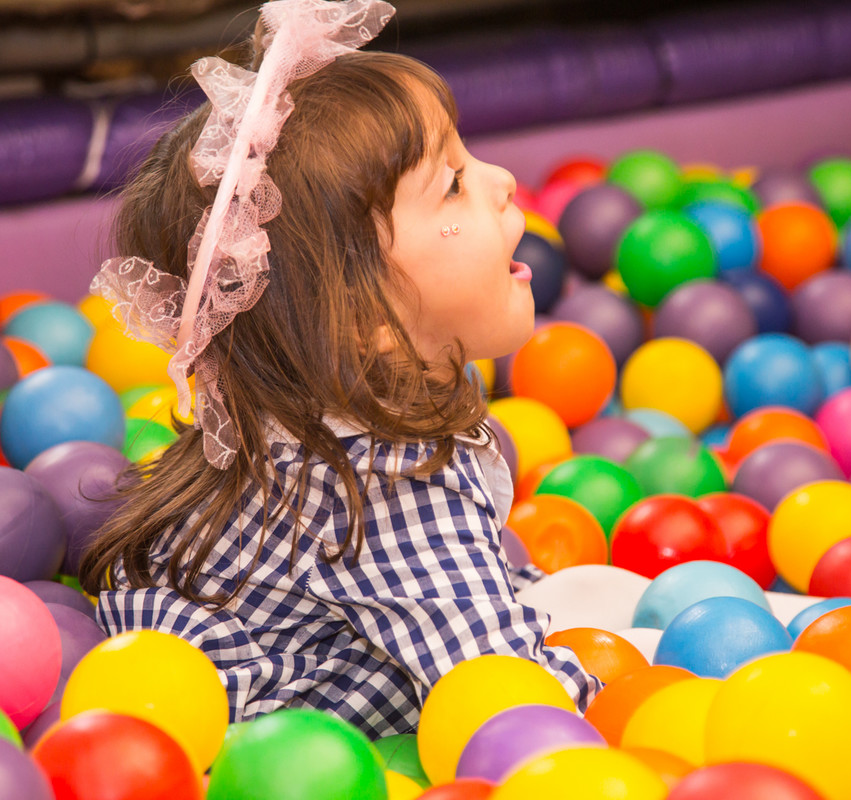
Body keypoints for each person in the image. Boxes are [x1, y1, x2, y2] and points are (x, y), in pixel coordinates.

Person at [79, 0, 600, 738]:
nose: (506, 179)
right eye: (451, 183)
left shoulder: (318, 390)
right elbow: (510, 702)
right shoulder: (390, 486)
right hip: (267, 738)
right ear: (369, 324)